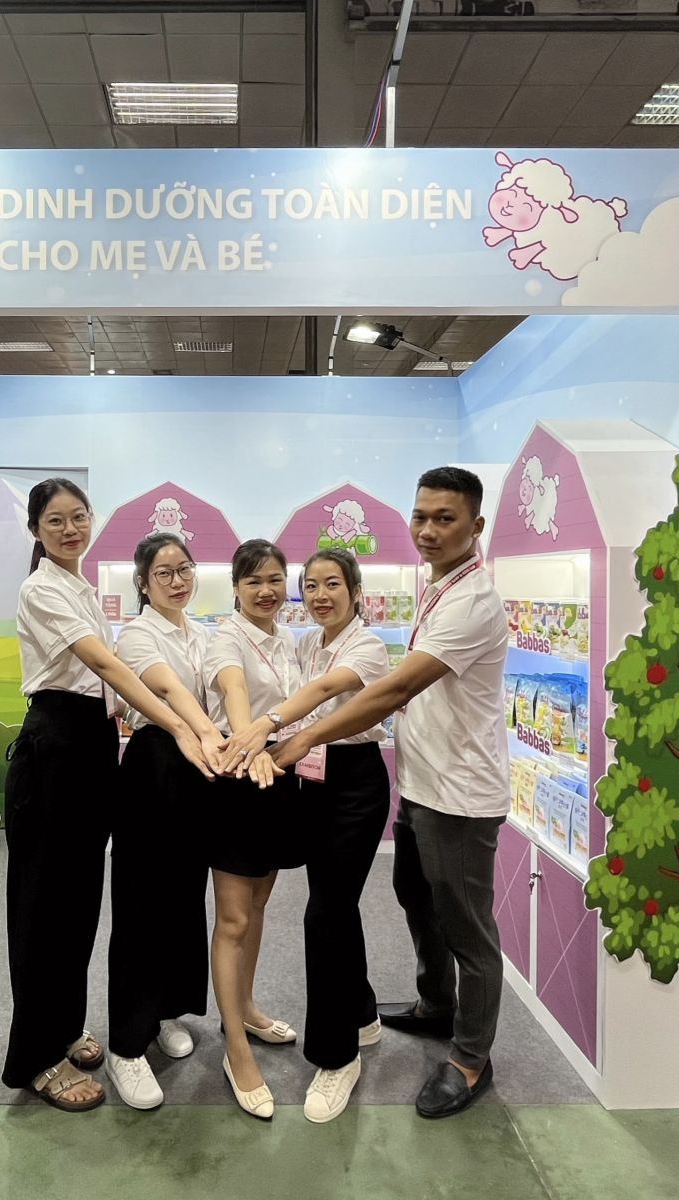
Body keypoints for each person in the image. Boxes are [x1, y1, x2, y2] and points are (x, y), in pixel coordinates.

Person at [271, 467, 509, 1120]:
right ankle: (436, 1004)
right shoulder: (437, 586)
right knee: (415, 897)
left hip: (459, 795)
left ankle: (470, 1057)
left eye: (445, 519)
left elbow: (396, 688)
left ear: (475, 526)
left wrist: (298, 736)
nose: (428, 530)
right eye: (421, 516)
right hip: (421, 783)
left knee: (467, 928)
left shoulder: (471, 601)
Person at [1, 479, 214, 1113]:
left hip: (92, 748)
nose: (70, 529)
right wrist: (179, 725)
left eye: (79, 517)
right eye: (55, 521)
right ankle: (36, 1057)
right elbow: (107, 667)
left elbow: (107, 689)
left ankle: (65, 1028)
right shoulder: (41, 588)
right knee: (43, 908)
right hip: (54, 749)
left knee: (78, 904)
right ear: (35, 530)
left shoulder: (83, 588)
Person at [219, 549, 390, 1123]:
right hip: (311, 781)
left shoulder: (368, 646)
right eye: (311, 585)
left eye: (333, 584)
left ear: (356, 591)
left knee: (325, 913)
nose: (320, 596)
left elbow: (321, 695)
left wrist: (267, 729)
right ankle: (361, 1014)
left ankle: (337, 1057)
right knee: (337, 906)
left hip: (355, 783)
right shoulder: (307, 642)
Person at [105, 533, 227, 1109]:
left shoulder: (201, 633)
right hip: (155, 765)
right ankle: (125, 1046)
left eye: (184, 569)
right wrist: (207, 735)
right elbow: (170, 691)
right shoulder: (137, 635)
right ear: (143, 583)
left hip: (198, 769)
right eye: (163, 573)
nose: (177, 581)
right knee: (140, 902)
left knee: (183, 897)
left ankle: (163, 1013)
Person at [203, 539, 303, 1121]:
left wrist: (274, 750)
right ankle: (236, 1050)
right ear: (236, 588)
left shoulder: (288, 639)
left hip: (278, 776)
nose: (266, 591)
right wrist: (249, 743)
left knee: (259, 906)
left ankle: (244, 1008)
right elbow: (234, 692)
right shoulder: (226, 638)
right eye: (253, 581)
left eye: (274, 579)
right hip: (240, 778)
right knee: (234, 919)